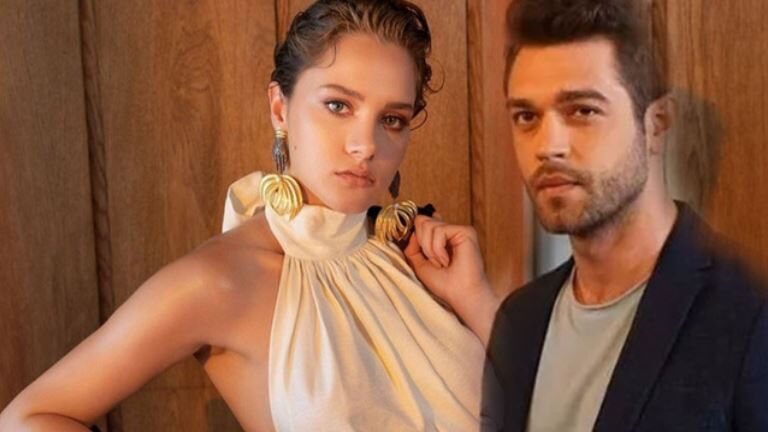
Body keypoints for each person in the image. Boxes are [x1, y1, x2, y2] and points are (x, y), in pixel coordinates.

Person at [0, 1, 500, 431]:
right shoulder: (219, 281)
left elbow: (534, 406)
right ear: (280, 109)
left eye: (392, 119)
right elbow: (29, 418)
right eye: (338, 105)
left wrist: (476, 300)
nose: (365, 145)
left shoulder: (418, 256)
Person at [405, 0, 768, 430]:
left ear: (656, 125)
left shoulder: (749, 310)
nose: (548, 146)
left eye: (583, 110)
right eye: (526, 116)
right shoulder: (520, 319)